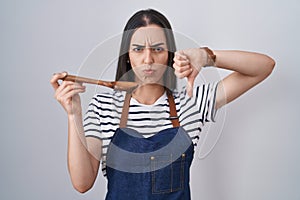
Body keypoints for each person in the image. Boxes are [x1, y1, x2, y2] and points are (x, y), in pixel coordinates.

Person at [50, 9, 275, 200]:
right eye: (138, 49)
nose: (148, 59)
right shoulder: (103, 107)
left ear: (168, 55)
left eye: (157, 49)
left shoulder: (192, 102)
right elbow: (82, 183)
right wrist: (73, 115)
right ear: (128, 55)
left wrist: (206, 56)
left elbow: (263, 66)